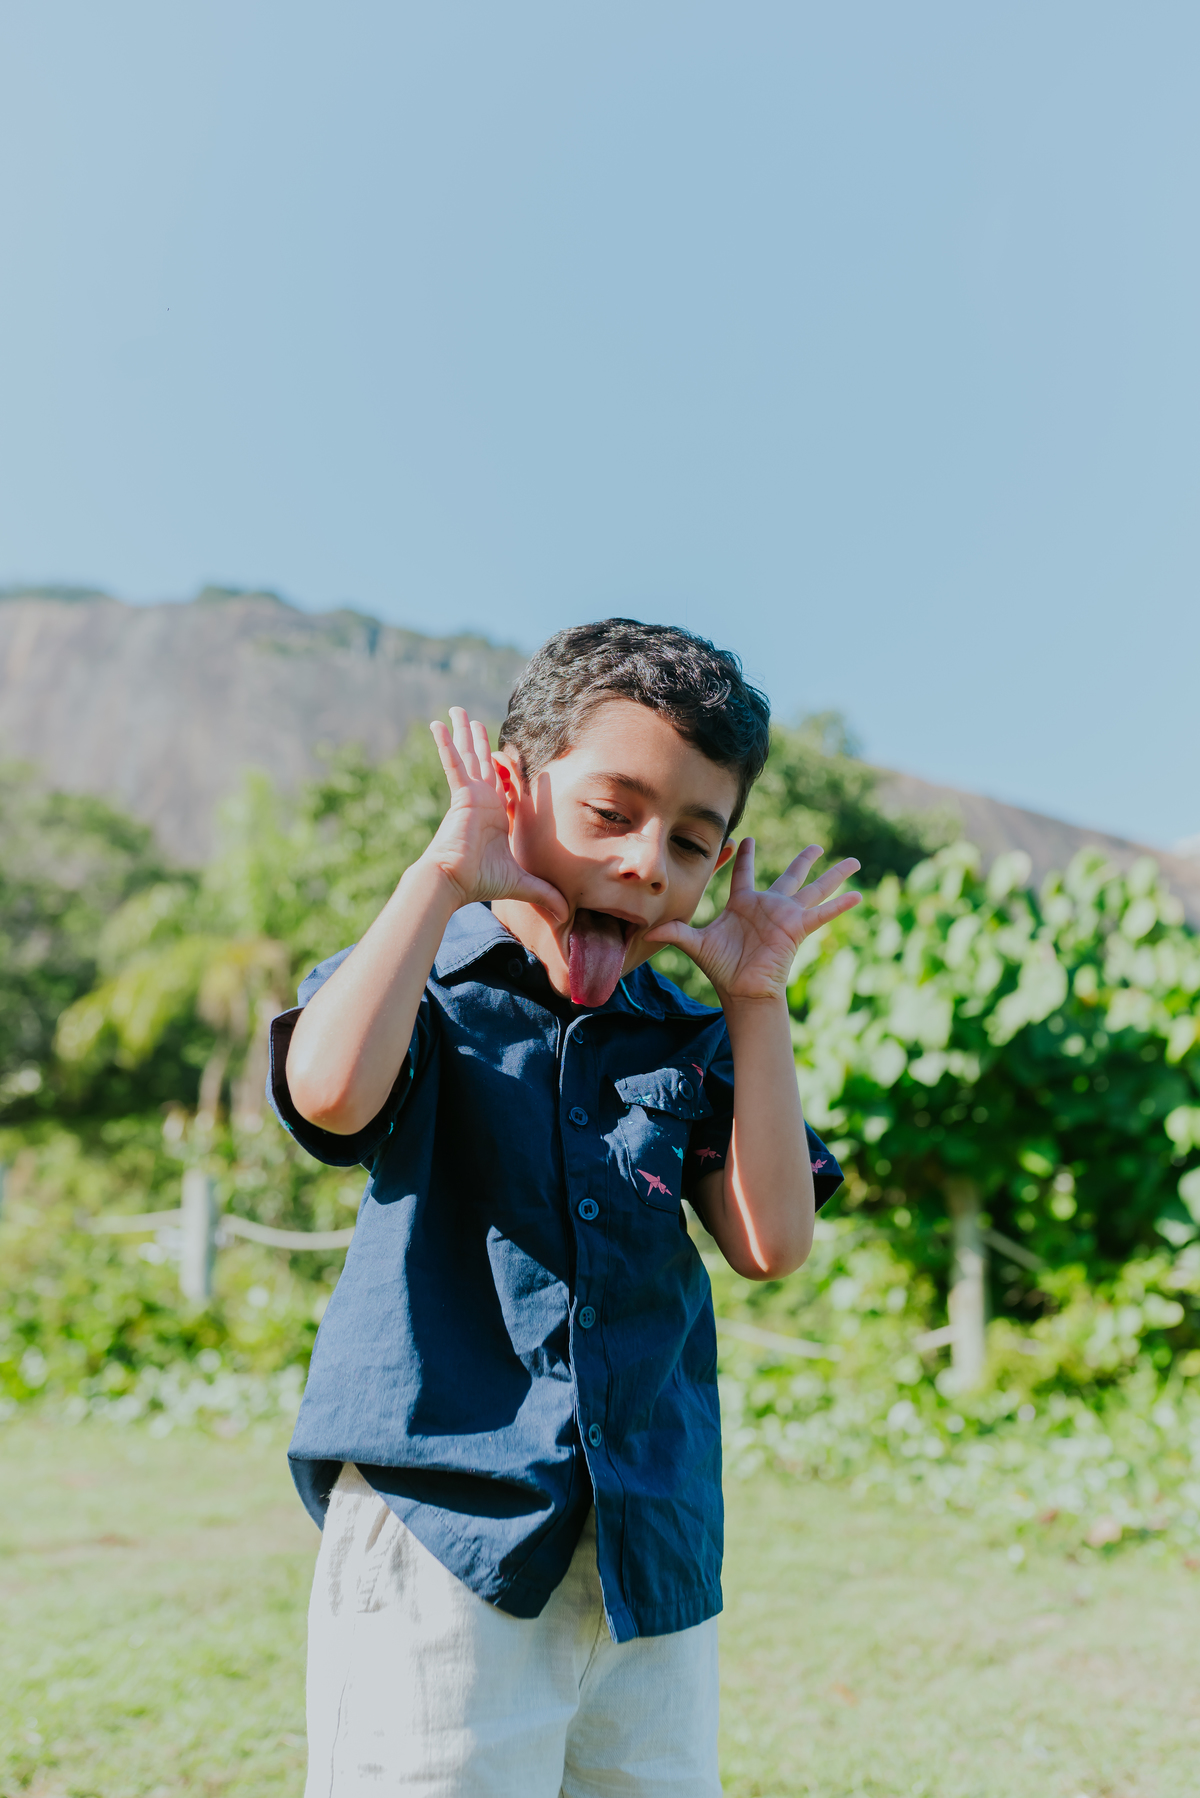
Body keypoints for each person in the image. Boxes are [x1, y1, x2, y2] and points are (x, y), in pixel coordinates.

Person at [269, 618, 860, 1797]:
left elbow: (772, 1242)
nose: (647, 861)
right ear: (510, 789)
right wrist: (441, 876)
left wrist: (753, 999)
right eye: (611, 811)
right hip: (446, 1537)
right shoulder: (425, 983)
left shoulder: (691, 1044)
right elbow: (329, 1098)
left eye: (692, 841)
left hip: (650, 1553)